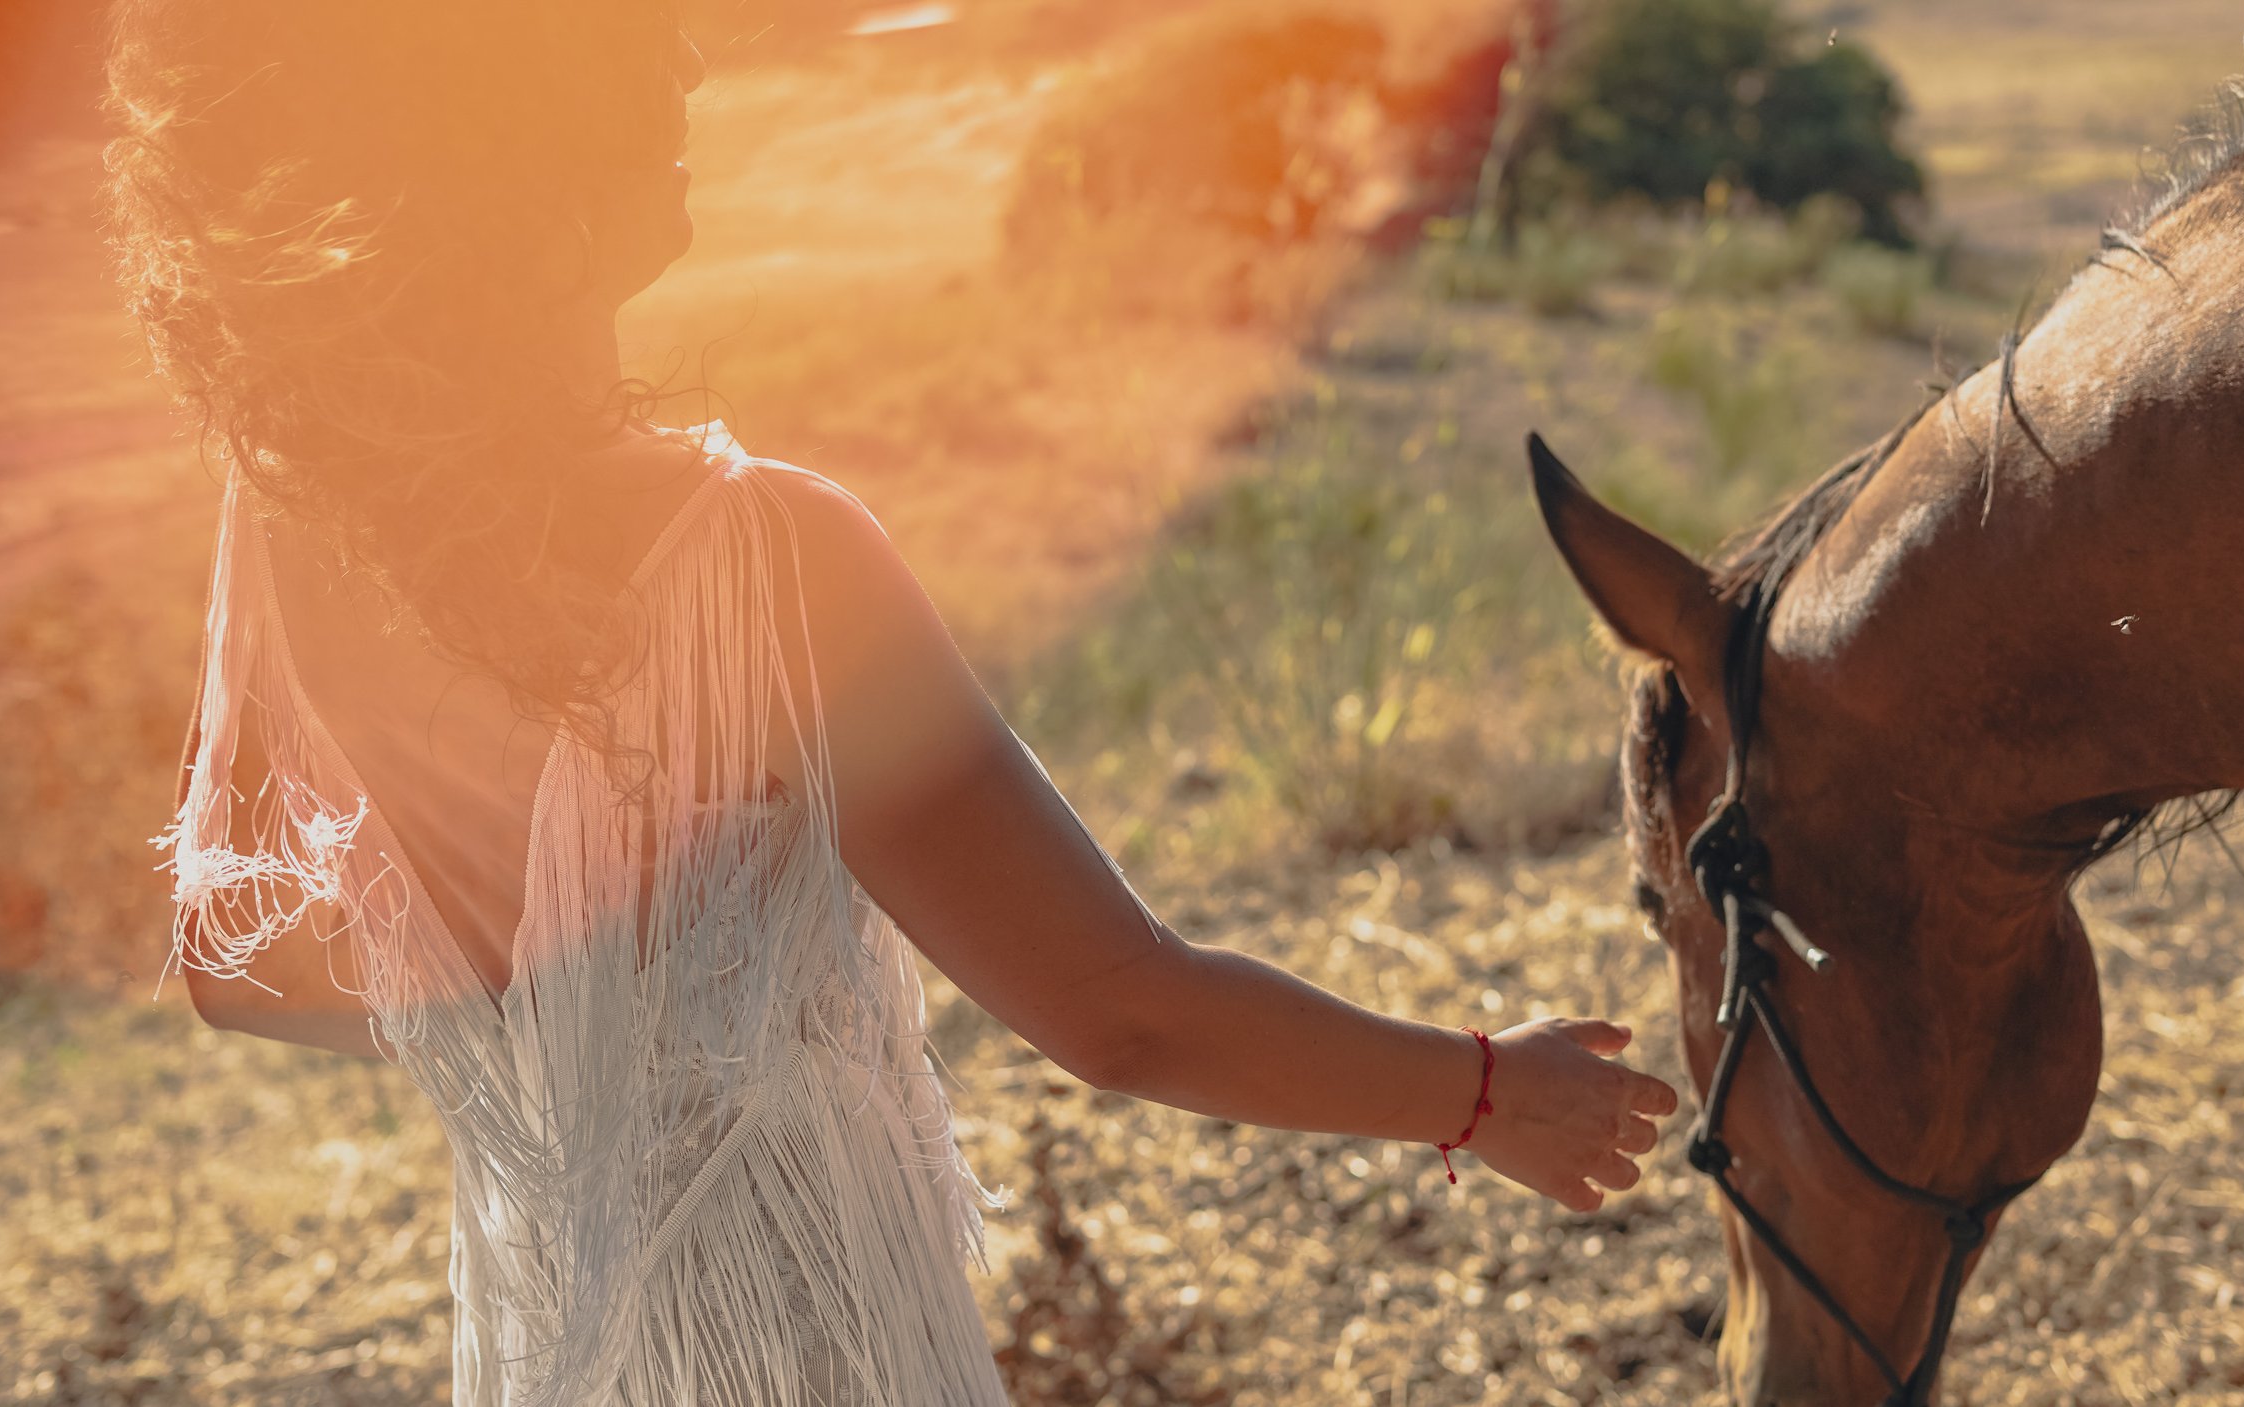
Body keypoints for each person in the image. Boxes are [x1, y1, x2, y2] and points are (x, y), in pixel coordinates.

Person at [111, 3, 1675, 1402]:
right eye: (627, 40)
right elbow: (1122, 1012)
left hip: (538, 1352)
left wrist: (550, 1051)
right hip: (818, 1349)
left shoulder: (289, 531)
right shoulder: (766, 560)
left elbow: (229, 968)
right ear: (513, 153)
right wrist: (1485, 1093)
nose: (691, 57)